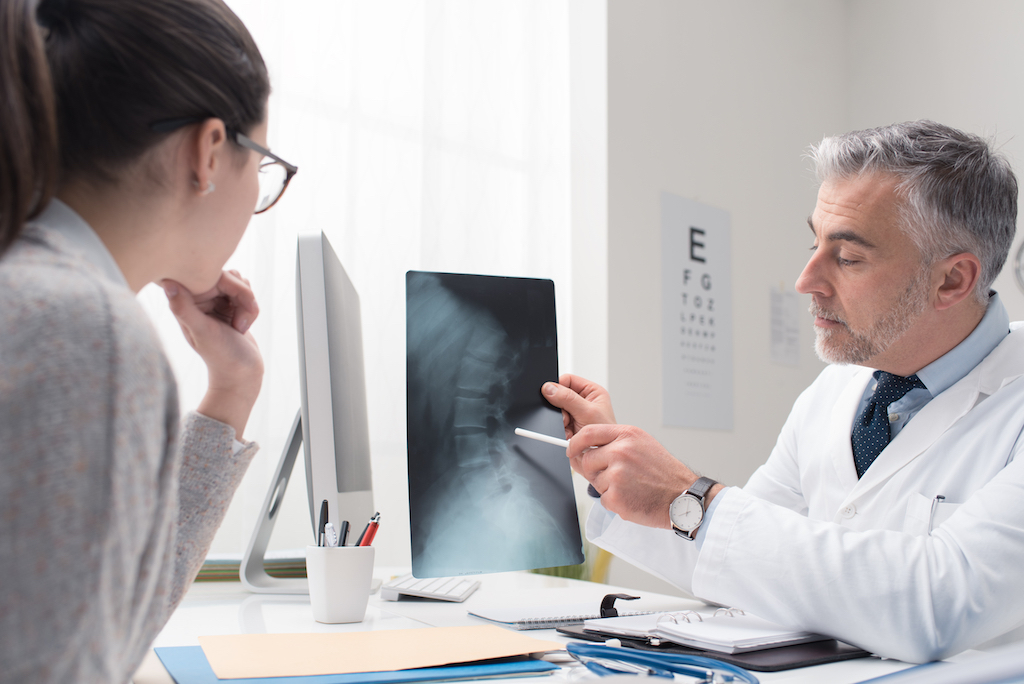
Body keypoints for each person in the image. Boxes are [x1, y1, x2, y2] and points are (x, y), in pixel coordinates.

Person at [543, 120, 1024, 664]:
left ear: (953, 281)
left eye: (847, 257)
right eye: (814, 242)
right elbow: (731, 564)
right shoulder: (833, 393)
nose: (806, 279)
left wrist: (690, 498)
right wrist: (610, 466)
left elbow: (939, 603)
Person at [0, 0, 295, 681]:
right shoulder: (82, 330)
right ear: (210, 151)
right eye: (264, 166)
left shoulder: (40, 289)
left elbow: (105, 621)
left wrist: (231, 392)